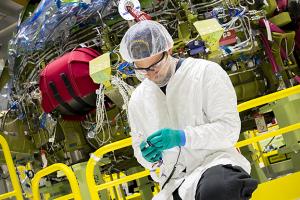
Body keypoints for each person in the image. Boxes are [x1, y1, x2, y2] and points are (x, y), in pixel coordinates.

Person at [119, 20, 258, 200]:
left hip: (214, 164)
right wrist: (149, 156)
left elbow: (228, 130)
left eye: (154, 66)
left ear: (168, 50)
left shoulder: (204, 72)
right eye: (142, 70)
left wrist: (182, 137)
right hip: (173, 181)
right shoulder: (138, 100)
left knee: (217, 189)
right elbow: (140, 149)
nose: (151, 74)